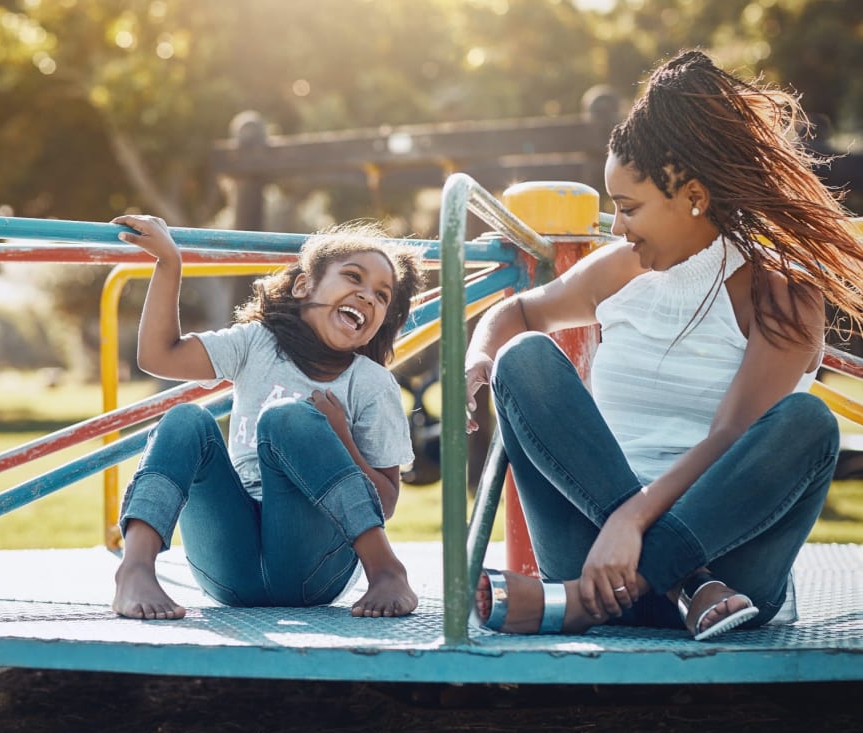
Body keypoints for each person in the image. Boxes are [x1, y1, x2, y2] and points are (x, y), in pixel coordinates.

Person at [464, 49, 863, 641]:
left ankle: (577, 605)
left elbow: (731, 435)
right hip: (601, 555)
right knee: (524, 359)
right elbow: (519, 312)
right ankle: (681, 584)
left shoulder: (782, 294)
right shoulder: (618, 270)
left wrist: (634, 519)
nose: (618, 226)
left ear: (694, 195)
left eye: (629, 208)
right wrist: (479, 357)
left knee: (808, 423)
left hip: (735, 571)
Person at [111, 216, 424, 620]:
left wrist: (339, 437)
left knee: (287, 419)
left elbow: (388, 501)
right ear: (303, 286)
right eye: (353, 278)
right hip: (229, 567)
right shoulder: (256, 344)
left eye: (382, 296)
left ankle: (386, 571)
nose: (367, 297)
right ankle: (135, 570)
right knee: (186, 418)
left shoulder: (372, 384)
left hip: (312, 568)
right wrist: (170, 263)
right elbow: (159, 356)